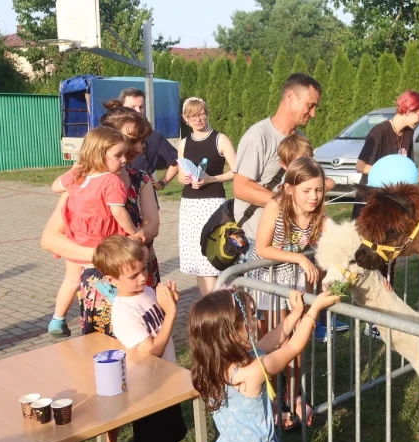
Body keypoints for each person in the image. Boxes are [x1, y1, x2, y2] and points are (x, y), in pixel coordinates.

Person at [40, 103, 161, 442]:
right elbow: (50, 238)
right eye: (131, 141)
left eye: (139, 142)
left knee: (147, 361)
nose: (138, 149)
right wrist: (102, 255)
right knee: (107, 367)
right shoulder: (83, 179)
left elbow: (152, 224)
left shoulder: (140, 180)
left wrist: (140, 238)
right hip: (102, 287)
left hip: (140, 279)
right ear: (107, 141)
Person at [188, 287, 341, 442]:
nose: (254, 321)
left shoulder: (216, 363)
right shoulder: (253, 371)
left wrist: (295, 313)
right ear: (230, 334)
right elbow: (292, 347)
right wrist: (314, 310)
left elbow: (272, 340)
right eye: (248, 318)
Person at [245, 157, 332, 428]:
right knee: (274, 336)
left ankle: (293, 395)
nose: (314, 197)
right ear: (290, 188)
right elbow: (262, 248)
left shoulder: (319, 213)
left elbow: (327, 246)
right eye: (307, 191)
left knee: (298, 337)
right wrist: (301, 259)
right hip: (267, 278)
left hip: (294, 279)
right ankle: (270, 397)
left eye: (318, 190)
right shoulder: (276, 206)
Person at [96, 236, 188, 442]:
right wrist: (171, 314)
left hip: (164, 382)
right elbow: (153, 350)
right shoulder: (124, 312)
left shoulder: (145, 292)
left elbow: (158, 330)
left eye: (143, 269)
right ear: (111, 279)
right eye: (133, 275)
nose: (143, 277)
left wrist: (169, 305)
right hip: (148, 391)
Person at [47, 127, 144, 337]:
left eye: (124, 154)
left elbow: (55, 187)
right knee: (106, 275)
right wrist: (134, 231)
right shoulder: (111, 180)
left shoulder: (78, 175)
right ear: (99, 155)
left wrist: (74, 172)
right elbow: (118, 212)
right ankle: (109, 300)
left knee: (71, 280)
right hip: (101, 240)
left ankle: (57, 318)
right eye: (118, 155)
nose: (124, 160)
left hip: (75, 239)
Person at [232, 73, 321, 246]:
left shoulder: (300, 140)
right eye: (310, 106)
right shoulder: (259, 136)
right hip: (256, 242)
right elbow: (241, 187)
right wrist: (288, 203)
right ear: (291, 97)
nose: (313, 113)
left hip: (289, 242)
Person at [177, 96, 236, 297]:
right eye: (193, 116)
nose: (198, 119)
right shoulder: (183, 143)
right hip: (189, 206)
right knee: (196, 262)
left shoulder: (220, 139)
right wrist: (183, 178)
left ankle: (214, 304)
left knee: (210, 257)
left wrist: (211, 179)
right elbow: (179, 175)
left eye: (202, 114)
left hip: (212, 204)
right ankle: (207, 302)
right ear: (185, 119)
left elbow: (236, 171)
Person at [352, 90, 419, 224]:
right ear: (409, 110)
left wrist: (416, 172)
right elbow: (360, 166)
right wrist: (390, 174)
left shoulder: (408, 133)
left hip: (391, 201)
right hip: (370, 201)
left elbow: (408, 163)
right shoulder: (380, 131)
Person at [119, 87, 180, 190]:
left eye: (141, 107)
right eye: (132, 107)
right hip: (116, 193)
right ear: (121, 108)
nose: (138, 111)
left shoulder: (154, 137)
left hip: (145, 196)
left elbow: (177, 162)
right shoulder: (111, 134)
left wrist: (162, 183)